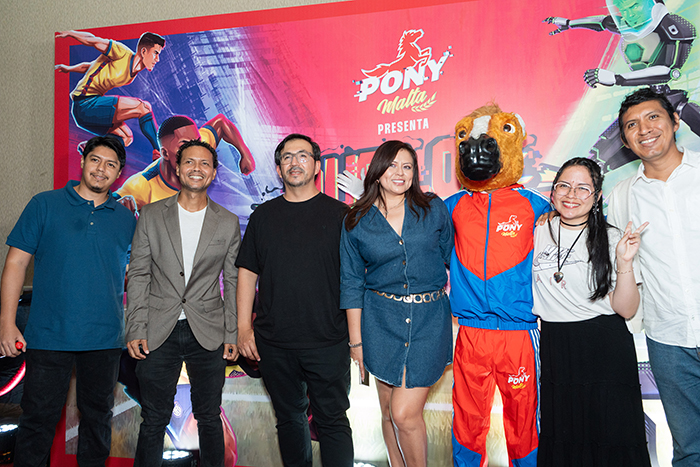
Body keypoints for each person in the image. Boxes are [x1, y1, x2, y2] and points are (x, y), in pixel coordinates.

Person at [0, 135, 136, 467]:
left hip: (104, 338)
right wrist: (6, 323)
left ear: (118, 173)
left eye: (110, 165)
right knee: (37, 422)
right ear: (83, 161)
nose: (101, 169)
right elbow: (16, 263)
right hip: (49, 335)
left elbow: (135, 274)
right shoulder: (44, 205)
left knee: (97, 423)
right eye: (96, 160)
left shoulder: (126, 219)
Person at [235, 134, 353, 467]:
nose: (294, 162)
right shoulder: (263, 216)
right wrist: (243, 328)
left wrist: (355, 337)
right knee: (288, 419)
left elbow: (355, 280)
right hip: (275, 342)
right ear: (278, 168)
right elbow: (247, 273)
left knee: (332, 420)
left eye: (302, 156)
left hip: (328, 339)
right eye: (286, 157)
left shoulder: (341, 215)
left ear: (316, 166)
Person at [125, 139, 240, 467]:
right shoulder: (151, 215)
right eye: (189, 162)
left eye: (205, 163)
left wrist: (231, 332)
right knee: (153, 418)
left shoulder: (227, 221)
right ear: (177, 168)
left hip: (208, 329)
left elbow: (232, 281)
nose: (196, 169)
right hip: (158, 329)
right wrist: (136, 327)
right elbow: (139, 274)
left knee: (209, 416)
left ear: (214, 172)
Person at [340, 140, 453, 467]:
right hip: (380, 321)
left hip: (429, 321)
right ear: (377, 171)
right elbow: (351, 282)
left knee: (404, 414)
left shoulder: (433, 209)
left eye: (407, 166)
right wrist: (356, 343)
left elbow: (453, 259)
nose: (400, 172)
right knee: (388, 410)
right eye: (392, 165)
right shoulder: (356, 220)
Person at [532, 157, 650, 466]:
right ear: (552, 192)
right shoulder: (537, 230)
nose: (572, 194)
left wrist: (624, 262)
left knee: (611, 435)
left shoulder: (612, 237)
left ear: (597, 196)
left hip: (605, 345)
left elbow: (626, 308)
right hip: (557, 346)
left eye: (583, 188)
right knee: (565, 434)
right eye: (564, 186)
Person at [607, 87, 700, 466]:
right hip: (669, 340)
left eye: (653, 117)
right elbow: (623, 266)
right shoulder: (622, 196)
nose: (644, 129)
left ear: (675, 121)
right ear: (625, 140)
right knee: (689, 448)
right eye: (631, 125)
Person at [55, 30, 165, 156]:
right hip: (84, 104)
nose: (157, 59)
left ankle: (91, 147)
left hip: (91, 112)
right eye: (155, 53)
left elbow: (91, 66)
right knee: (143, 107)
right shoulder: (122, 53)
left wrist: (68, 68)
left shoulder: (132, 74)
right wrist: (71, 33)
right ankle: (159, 151)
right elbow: (94, 40)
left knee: (126, 137)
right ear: (144, 51)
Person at [116, 114, 255, 211]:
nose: (195, 151)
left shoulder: (201, 147)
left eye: (197, 141)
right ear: (165, 153)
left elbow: (221, 122)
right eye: (184, 145)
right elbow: (110, 204)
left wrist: (245, 154)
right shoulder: (142, 186)